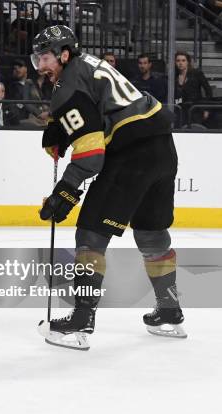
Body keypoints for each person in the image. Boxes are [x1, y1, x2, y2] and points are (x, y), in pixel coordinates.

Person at [31, 25, 185, 350]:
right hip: (162, 149)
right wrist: (59, 127)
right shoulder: (88, 64)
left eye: (44, 57)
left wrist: (65, 192)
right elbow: (98, 111)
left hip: (130, 155)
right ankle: (170, 311)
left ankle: (81, 321)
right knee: (151, 233)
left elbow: (91, 154)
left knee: (89, 235)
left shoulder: (67, 83)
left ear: (64, 54)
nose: (41, 65)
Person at [174, 51, 213, 127]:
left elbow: (208, 91)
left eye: (183, 60)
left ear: (188, 62)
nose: (180, 63)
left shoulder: (197, 73)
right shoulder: (174, 76)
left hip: (195, 109)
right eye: (178, 61)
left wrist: (206, 109)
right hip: (180, 110)